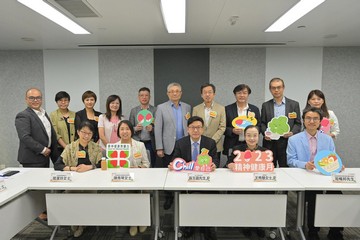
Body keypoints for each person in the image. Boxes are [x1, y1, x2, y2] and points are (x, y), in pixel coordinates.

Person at [287, 107, 344, 240]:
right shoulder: (294, 139)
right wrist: (305, 164)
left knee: (337, 194)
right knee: (314, 196)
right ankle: (313, 230)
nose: (311, 121)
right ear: (303, 121)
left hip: (324, 176)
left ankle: (336, 230)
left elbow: (332, 157)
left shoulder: (327, 139)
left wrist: (338, 165)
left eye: (315, 119)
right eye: (308, 118)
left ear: (320, 121)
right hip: (305, 176)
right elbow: (291, 161)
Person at [168, 116, 217, 240]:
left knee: (207, 198)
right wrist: (173, 164)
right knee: (187, 198)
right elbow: (175, 158)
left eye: (198, 127)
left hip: (205, 178)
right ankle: (188, 224)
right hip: (186, 179)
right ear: (188, 129)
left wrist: (213, 164)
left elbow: (215, 159)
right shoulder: (181, 142)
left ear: (203, 129)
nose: (196, 130)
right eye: (193, 128)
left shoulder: (209, 142)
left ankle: (207, 226)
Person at [54, 120, 102, 238]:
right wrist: (73, 168)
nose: (86, 136)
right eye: (83, 132)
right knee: (72, 197)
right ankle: (76, 221)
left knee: (88, 199)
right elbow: (57, 165)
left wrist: (90, 166)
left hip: (91, 182)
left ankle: (81, 224)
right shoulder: (70, 147)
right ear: (78, 132)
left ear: (92, 135)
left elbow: (102, 163)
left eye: (89, 133)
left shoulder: (96, 147)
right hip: (73, 182)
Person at [155, 82, 191, 210]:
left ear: (181, 93)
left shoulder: (187, 107)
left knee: (185, 172)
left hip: (185, 145)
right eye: (172, 91)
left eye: (177, 91)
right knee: (169, 173)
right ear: (168, 93)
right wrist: (159, 147)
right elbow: (158, 129)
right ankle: (169, 197)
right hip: (168, 146)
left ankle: (183, 196)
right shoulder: (161, 108)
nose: (174, 93)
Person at [226, 125, 266, 238]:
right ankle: (246, 225)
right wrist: (231, 165)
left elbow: (270, 167)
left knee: (259, 202)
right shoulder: (237, 149)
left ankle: (258, 225)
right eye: (248, 135)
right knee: (245, 201)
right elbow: (228, 163)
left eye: (255, 135)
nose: (252, 138)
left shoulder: (265, 151)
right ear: (244, 136)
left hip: (259, 184)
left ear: (259, 136)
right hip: (241, 183)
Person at [114, 120, 150, 236]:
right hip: (123, 180)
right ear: (118, 132)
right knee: (128, 193)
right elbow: (112, 168)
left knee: (143, 192)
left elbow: (146, 164)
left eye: (127, 129)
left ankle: (142, 219)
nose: (125, 132)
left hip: (140, 179)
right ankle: (133, 222)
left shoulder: (140, 145)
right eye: (122, 129)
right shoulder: (114, 147)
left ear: (131, 130)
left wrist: (139, 168)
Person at [261, 78, 301, 167]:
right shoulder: (265, 105)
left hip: (287, 142)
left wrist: (292, 132)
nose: (276, 90)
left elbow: (298, 123)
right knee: (269, 167)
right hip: (270, 143)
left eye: (279, 87)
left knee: (287, 168)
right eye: (273, 88)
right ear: (270, 89)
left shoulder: (294, 104)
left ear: (283, 88)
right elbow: (262, 123)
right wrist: (265, 133)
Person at [15, 88, 58, 168]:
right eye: (32, 98)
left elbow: (49, 134)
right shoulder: (23, 115)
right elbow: (25, 137)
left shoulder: (43, 113)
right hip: (32, 159)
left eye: (38, 98)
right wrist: (43, 150)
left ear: (41, 99)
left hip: (45, 157)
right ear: (26, 99)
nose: (35, 100)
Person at [224, 84, 260, 161]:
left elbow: (259, 126)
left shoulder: (254, 109)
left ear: (248, 95)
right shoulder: (227, 109)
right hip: (232, 143)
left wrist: (252, 131)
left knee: (249, 166)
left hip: (250, 144)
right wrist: (232, 130)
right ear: (235, 94)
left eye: (244, 93)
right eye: (239, 93)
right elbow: (222, 127)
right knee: (233, 165)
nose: (242, 95)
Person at [192, 83, 225, 161]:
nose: (207, 94)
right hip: (200, 144)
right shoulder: (196, 109)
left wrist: (212, 141)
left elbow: (222, 127)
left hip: (215, 144)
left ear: (214, 94)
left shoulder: (221, 108)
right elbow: (194, 126)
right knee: (199, 167)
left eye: (210, 92)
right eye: (205, 92)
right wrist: (203, 141)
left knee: (214, 167)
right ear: (201, 95)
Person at [129, 87, 157, 167]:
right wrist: (135, 128)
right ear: (138, 97)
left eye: (146, 95)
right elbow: (130, 128)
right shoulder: (134, 110)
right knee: (137, 163)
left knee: (150, 164)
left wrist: (152, 129)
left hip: (150, 142)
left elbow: (159, 127)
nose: (144, 97)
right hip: (137, 141)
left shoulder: (155, 110)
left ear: (149, 97)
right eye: (142, 95)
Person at [50, 91, 76, 161]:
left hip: (73, 148)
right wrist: (66, 147)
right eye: (60, 100)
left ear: (69, 101)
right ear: (56, 102)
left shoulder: (74, 114)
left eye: (65, 100)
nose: (63, 102)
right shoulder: (53, 115)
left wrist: (73, 147)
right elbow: (55, 133)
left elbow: (78, 131)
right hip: (59, 149)